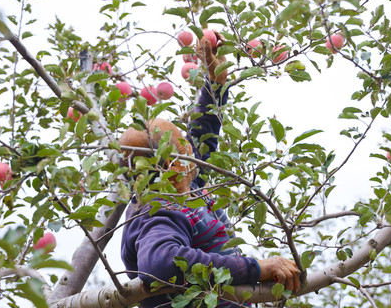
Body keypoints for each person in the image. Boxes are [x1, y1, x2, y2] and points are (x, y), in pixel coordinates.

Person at [120, 35, 301, 307]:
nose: (192, 146)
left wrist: (216, 78)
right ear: (172, 164)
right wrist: (257, 268)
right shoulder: (159, 210)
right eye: (183, 143)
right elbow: (162, 263)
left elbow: (205, 127)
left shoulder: (184, 186)